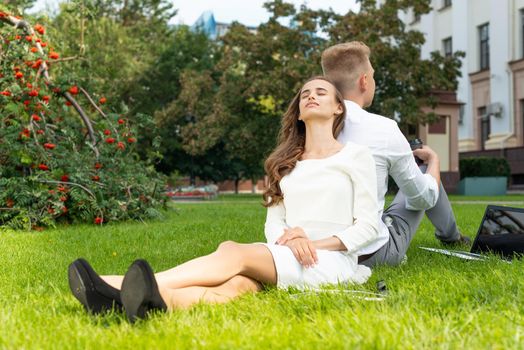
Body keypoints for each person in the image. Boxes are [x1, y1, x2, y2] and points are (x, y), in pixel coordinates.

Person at [68, 76, 380, 323]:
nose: (311, 95)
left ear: (339, 107)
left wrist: (312, 243)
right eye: (305, 93)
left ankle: (117, 286)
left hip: (330, 261)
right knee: (237, 286)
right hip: (285, 253)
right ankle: (148, 303)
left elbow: (368, 226)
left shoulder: (355, 157)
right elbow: (275, 223)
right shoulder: (285, 163)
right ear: (298, 111)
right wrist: (288, 242)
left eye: (322, 92)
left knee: (233, 252)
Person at [320, 41, 469, 267]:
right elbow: (423, 198)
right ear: (364, 81)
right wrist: (434, 163)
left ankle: (452, 235)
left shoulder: (308, 128)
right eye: (373, 75)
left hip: (318, 250)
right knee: (423, 170)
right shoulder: (383, 128)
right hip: (371, 255)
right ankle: (452, 237)